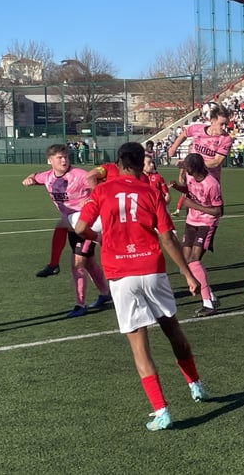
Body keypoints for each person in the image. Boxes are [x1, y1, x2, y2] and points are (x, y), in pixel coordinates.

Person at [74, 141, 208, 432]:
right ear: (140, 162)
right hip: (151, 269)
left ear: (119, 162)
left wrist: (102, 240)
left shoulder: (101, 190)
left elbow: (80, 228)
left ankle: (161, 410)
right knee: (172, 329)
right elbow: (168, 238)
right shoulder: (151, 192)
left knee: (139, 346)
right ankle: (195, 384)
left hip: (121, 273)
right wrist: (188, 274)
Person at [22, 144, 111, 317]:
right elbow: (35, 177)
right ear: (50, 161)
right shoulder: (47, 177)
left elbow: (102, 187)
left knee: (77, 264)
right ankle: (104, 293)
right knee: (89, 263)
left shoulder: (79, 176)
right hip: (72, 226)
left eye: (66, 157)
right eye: (59, 158)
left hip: (86, 224)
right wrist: (29, 179)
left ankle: (80, 304)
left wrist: (92, 199)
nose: (64, 160)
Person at [169, 153, 223, 317]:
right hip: (192, 221)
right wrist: (178, 187)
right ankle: (211, 297)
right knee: (185, 262)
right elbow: (190, 190)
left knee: (194, 260)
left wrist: (194, 206)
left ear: (195, 168)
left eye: (187, 167)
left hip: (207, 223)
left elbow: (219, 211)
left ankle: (208, 303)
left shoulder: (212, 184)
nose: (185, 169)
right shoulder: (190, 176)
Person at [168, 104, 234, 216]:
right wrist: (173, 147)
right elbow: (185, 133)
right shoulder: (198, 129)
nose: (224, 128)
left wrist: (191, 165)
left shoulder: (225, 139)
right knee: (191, 216)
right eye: (221, 124)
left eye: (226, 124)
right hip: (192, 179)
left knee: (209, 215)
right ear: (212, 121)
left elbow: (216, 162)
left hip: (209, 182)